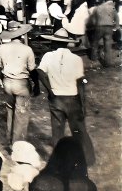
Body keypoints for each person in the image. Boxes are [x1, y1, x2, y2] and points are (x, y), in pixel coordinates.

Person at [37, 28, 95, 165]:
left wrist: (50, 90)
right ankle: (88, 160)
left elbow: (39, 71)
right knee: (79, 130)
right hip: (72, 98)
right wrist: (82, 103)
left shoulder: (47, 57)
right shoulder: (76, 59)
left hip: (56, 98)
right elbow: (80, 83)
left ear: (55, 43)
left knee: (57, 131)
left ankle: (59, 161)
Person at [0, 21, 36, 145]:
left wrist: (3, 78)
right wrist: (36, 84)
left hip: (7, 83)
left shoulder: (2, 48)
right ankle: (18, 145)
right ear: (21, 34)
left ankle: (9, 140)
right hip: (21, 83)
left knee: (10, 111)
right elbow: (32, 70)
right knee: (21, 115)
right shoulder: (27, 49)